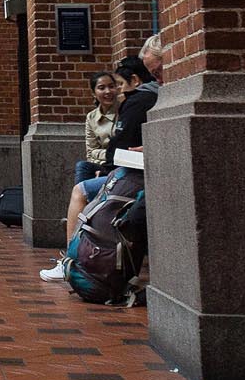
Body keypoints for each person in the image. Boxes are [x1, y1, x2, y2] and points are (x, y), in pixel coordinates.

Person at [41, 55, 159, 282]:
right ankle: (85, 237)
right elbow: (94, 149)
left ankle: (71, 259)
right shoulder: (97, 116)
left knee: (81, 191)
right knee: (84, 169)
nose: (113, 92)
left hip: (129, 170)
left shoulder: (135, 103)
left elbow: (121, 145)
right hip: (117, 165)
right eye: (103, 87)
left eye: (117, 86)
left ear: (134, 81)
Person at [75, 72, 119, 184]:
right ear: (94, 93)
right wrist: (105, 159)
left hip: (119, 164)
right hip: (102, 165)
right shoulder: (91, 117)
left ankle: (82, 200)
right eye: (101, 88)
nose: (108, 91)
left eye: (111, 86)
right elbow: (90, 152)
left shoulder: (125, 110)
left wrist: (102, 154)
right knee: (83, 166)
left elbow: (122, 150)